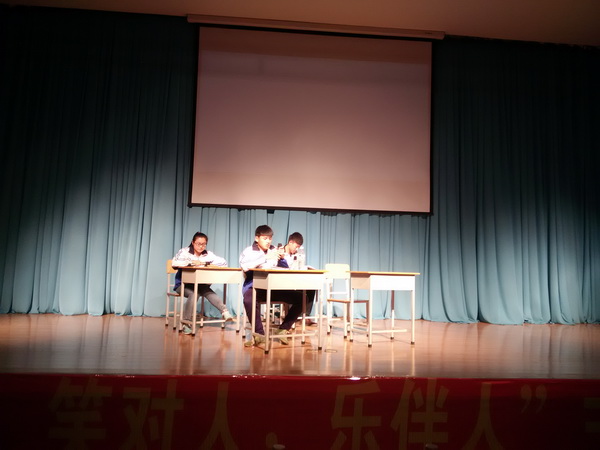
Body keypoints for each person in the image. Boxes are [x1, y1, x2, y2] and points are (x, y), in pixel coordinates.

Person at [239, 225, 315, 346]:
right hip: (254, 287)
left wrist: (282, 258)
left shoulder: (274, 249)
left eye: (270, 238)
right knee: (249, 300)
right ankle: (259, 334)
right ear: (257, 238)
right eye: (265, 238)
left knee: (302, 298)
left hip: (273, 288)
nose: (268, 241)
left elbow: (285, 268)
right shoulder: (249, 251)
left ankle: (283, 329)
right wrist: (265, 258)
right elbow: (245, 267)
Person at [172, 232, 233, 335]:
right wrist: (191, 262)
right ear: (193, 242)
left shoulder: (208, 254)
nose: (201, 246)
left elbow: (223, 262)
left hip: (200, 284)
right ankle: (186, 323)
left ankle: (225, 312)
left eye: (204, 244)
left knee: (206, 290)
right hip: (183, 285)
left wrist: (204, 263)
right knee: (194, 293)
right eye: (198, 244)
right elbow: (175, 263)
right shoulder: (184, 252)